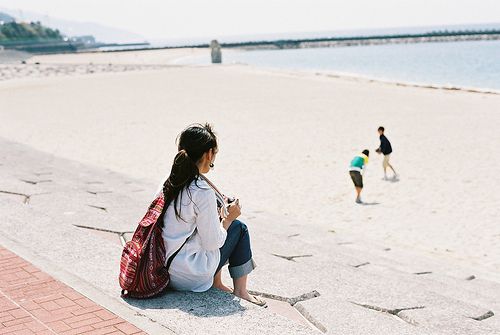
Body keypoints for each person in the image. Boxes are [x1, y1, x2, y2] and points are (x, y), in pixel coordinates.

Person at [159, 123, 265, 306]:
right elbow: (212, 242)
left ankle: (217, 283)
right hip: (189, 276)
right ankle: (241, 291)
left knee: (213, 225)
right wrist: (228, 218)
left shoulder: (169, 182)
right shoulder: (201, 190)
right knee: (239, 228)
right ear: (209, 154)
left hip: (163, 268)